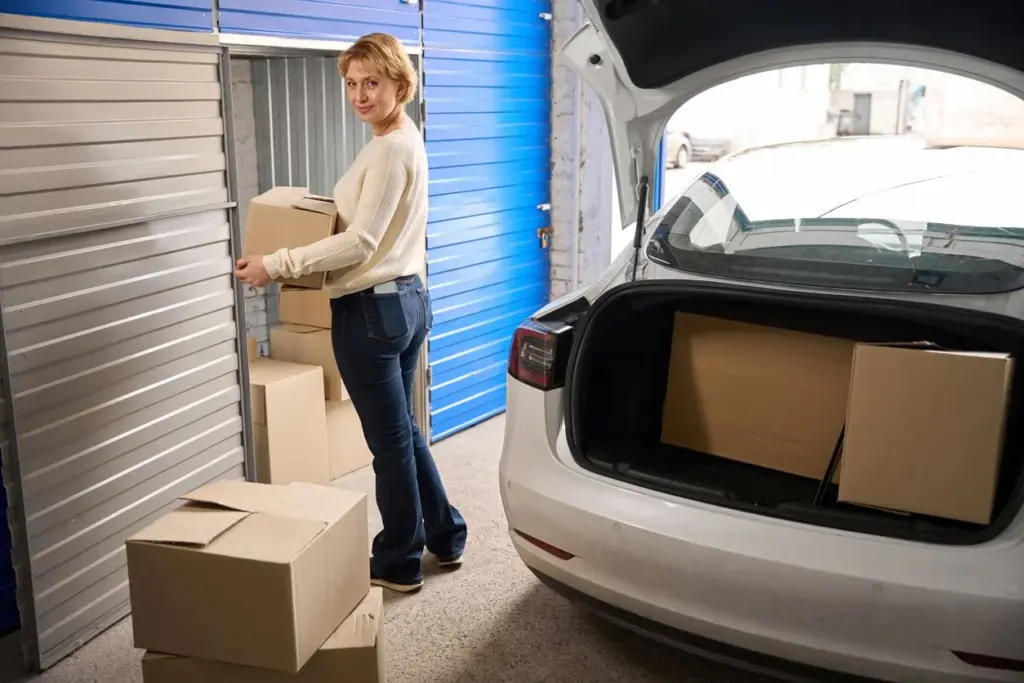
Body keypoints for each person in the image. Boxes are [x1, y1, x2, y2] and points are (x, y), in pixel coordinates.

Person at [233, 32, 467, 593]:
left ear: (399, 85)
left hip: (371, 313)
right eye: (352, 83)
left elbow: (362, 243)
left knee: (388, 444)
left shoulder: (390, 148)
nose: (360, 94)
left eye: (372, 83)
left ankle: (399, 560)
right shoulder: (403, 137)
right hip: (405, 301)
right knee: (403, 433)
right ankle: (446, 534)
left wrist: (278, 262)